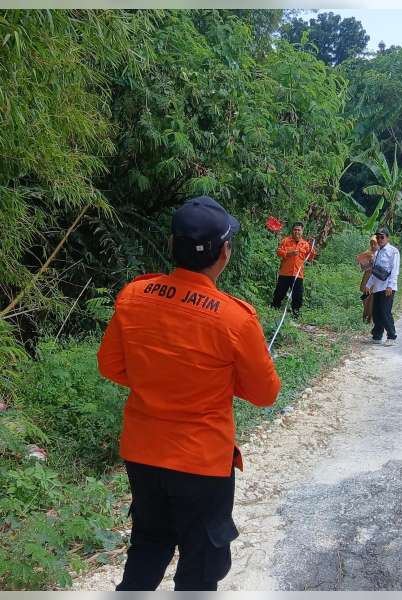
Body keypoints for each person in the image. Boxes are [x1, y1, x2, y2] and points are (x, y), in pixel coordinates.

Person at [97, 195, 281, 591]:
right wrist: (215, 381)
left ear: (171, 245)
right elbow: (266, 393)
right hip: (202, 462)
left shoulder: (134, 296)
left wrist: (158, 378)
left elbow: (110, 365)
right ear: (224, 253)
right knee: (200, 566)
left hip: (143, 453)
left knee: (148, 545)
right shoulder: (235, 319)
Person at [271, 222, 318, 319]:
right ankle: (273, 311)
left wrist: (312, 247)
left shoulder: (305, 244)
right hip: (285, 273)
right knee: (279, 293)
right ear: (292, 230)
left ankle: (295, 314)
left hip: (298, 274)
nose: (297, 232)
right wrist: (288, 253)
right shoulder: (285, 241)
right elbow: (279, 252)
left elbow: (310, 257)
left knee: (298, 296)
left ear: (302, 231)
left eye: (299, 230)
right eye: (295, 229)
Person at [366, 227, 400, 346]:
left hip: (387, 287)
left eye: (382, 237)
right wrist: (368, 285)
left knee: (385, 311)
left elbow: (395, 270)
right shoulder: (377, 252)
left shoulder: (393, 252)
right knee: (376, 312)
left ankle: (391, 336)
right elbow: (375, 271)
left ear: (387, 238)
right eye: (378, 237)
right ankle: (377, 336)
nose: (380, 239)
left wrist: (390, 286)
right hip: (377, 287)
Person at [356, 235, 379, 324]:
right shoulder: (367, 253)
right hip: (366, 279)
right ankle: (365, 316)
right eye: (371, 243)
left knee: (372, 300)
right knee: (365, 298)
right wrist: (363, 260)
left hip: (375, 280)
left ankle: (371, 318)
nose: (373, 246)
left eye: (375, 244)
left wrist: (373, 260)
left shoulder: (381, 254)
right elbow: (363, 268)